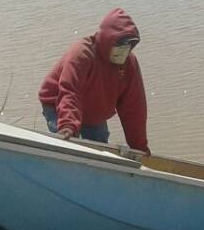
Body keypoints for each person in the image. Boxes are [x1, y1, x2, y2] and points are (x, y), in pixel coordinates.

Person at [39, 8, 149, 153]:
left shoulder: (129, 64)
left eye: (128, 47)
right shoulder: (82, 54)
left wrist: (139, 146)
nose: (123, 51)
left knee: (100, 151)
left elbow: (134, 108)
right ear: (107, 40)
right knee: (71, 150)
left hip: (94, 111)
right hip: (58, 105)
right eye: (119, 46)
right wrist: (68, 126)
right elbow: (69, 91)